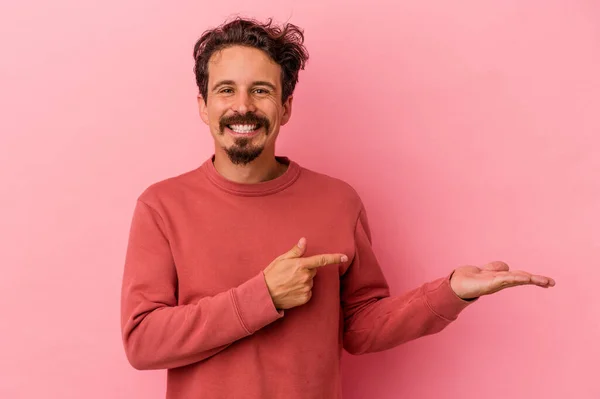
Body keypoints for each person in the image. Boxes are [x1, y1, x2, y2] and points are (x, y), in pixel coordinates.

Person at [120, 17, 555, 399]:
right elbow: (142, 342)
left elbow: (361, 327)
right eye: (226, 90)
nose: (243, 106)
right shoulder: (162, 205)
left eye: (261, 90)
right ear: (203, 105)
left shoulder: (337, 201)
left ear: (285, 107)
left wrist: (450, 292)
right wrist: (263, 296)